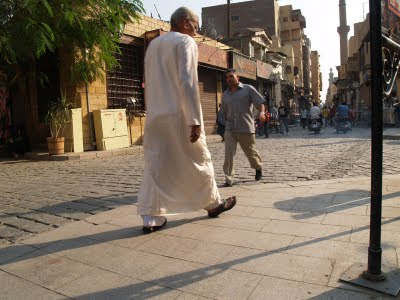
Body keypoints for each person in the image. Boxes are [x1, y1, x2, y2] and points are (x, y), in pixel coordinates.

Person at [138, 7, 236, 234]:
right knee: (199, 158)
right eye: (195, 25)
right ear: (184, 23)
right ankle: (213, 204)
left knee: (156, 164)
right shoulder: (185, 42)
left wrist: (151, 111)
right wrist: (194, 119)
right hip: (180, 115)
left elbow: (149, 83)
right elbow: (188, 81)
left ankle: (151, 219)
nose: (196, 30)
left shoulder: (154, 45)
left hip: (157, 116)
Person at [221, 69, 266, 187]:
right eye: (227, 78)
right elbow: (224, 112)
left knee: (251, 152)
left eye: (231, 76)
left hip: (246, 127)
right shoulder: (225, 95)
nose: (229, 79)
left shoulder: (248, 89)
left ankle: (258, 167)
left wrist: (261, 113)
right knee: (229, 154)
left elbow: (260, 103)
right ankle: (229, 178)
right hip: (230, 128)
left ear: (238, 77)